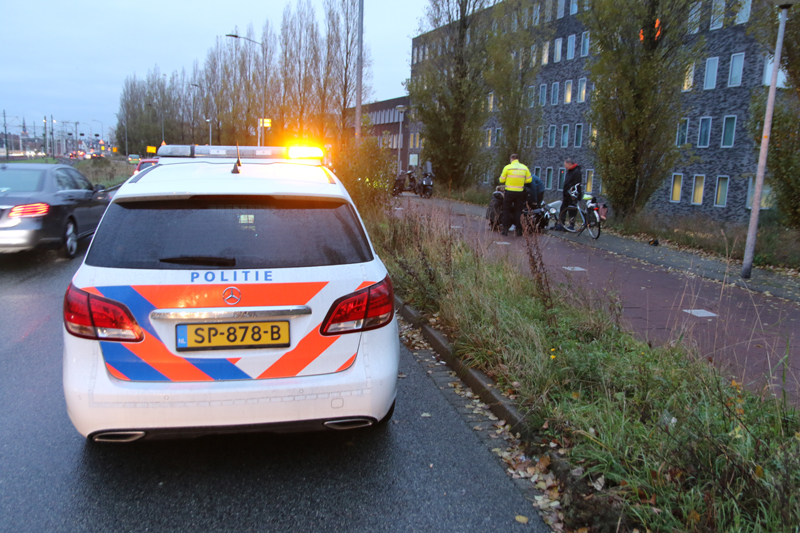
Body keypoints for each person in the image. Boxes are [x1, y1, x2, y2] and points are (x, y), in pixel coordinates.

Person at [499, 154, 532, 236]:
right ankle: (518, 230)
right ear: (518, 159)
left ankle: (505, 229)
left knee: (506, 210)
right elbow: (529, 180)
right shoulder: (524, 167)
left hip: (509, 192)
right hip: (519, 192)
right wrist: (521, 181)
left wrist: (508, 180)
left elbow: (501, 180)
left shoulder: (507, 167)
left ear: (511, 159)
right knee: (518, 211)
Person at [555, 158, 583, 231]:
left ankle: (571, 225)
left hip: (572, 195)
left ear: (570, 164)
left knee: (572, 210)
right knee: (563, 209)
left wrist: (577, 195)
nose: (565, 167)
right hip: (567, 195)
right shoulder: (569, 171)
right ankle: (561, 224)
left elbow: (577, 184)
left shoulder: (576, 172)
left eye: (566, 165)